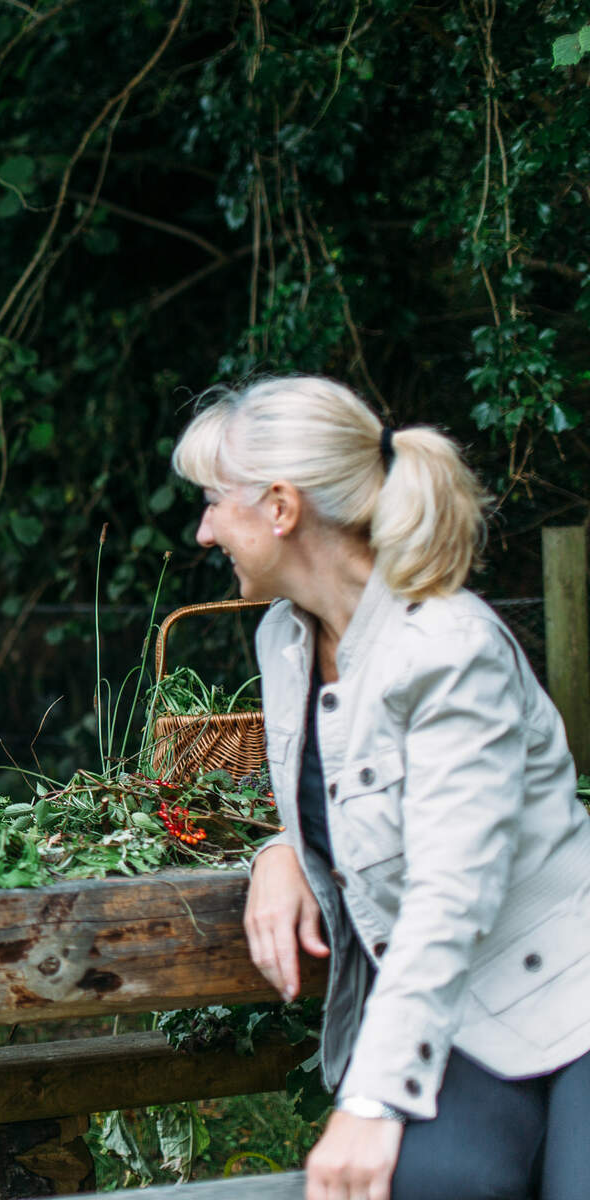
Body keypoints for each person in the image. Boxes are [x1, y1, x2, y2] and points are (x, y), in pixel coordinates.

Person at [172, 375, 590, 1200]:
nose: (204, 530)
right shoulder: (285, 642)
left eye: (217, 502)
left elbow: (450, 888)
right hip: (467, 1014)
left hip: (568, 994)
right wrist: (280, 852)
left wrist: (371, 1098)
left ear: (281, 508)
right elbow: (345, 799)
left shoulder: (448, 649)